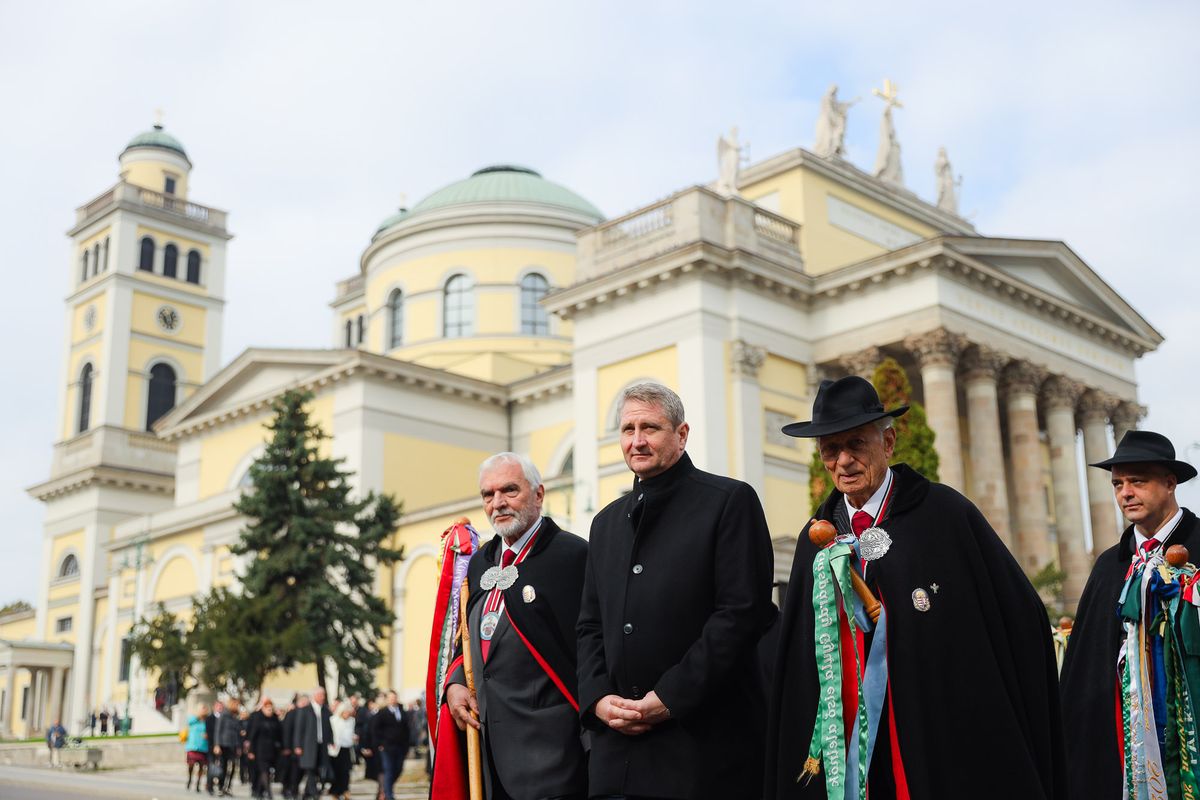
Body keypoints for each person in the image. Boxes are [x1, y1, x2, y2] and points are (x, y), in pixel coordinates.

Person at [764, 375, 1066, 798]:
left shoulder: (945, 516)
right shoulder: (815, 537)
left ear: (887, 444)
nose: (844, 461)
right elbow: (799, 655)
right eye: (831, 450)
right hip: (845, 736)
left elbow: (1019, 616)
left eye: (856, 445)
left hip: (931, 728)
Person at [577, 382, 775, 799]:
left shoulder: (729, 501)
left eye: (650, 428)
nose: (637, 440)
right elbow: (590, 627)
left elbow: (740, 614)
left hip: (702, 751)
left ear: (681, 435)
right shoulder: (605, 523)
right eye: (628, 430)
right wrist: (597, 699)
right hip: (618, 757)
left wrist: (669, 696)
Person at [1060, 430, 1200, 798]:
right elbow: (1084, 670)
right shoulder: (1110, 565)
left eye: (1138, 480)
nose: (1125, 492)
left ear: (1170, 483)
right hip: (1123, 748)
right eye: (1118, 483)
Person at [445, 451, 589, 800]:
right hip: (489, 755)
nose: (498, 503)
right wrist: (453, 684)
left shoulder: (574, 556)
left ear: (538, 495)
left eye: (510, 490)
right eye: (488, 495)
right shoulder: (479, 563)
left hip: (554, 759)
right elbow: (466, 640)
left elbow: (591, 650)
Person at [368, 690, 411, 800]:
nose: (393, 699)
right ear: (387, 699)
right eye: (391, 697)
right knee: (388, 769)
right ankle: (388, 795)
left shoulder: (402, 712)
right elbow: (375, 730)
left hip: (400, 747)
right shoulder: (382, 713)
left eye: (394, 697)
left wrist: (407, 746)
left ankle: (386, 789)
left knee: (398, 769)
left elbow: (406, 730)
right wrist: (379, 745)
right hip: (386, 747)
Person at [295, 686, 333, 800]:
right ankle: (314, 793)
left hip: (322, 744)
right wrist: (298, 745)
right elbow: (299, 729)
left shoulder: (326, 711)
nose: (323, 697)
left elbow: (329, 728)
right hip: (308, 745)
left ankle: (307, 793)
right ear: (315, 696)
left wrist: (331, 741)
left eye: (324, 695)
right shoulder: (305, 710)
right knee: (310, 768)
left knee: (318, 768)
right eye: (321, 695)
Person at [248, 698, 284, 800]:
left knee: (265, 772)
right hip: (260, 750)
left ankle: (259, 792)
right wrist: (251, 751)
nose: (269, 710)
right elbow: (252, 736)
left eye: (270, 708)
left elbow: (279, 734)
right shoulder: (258, 718)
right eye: (267, 708)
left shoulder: (274, 719)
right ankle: (269, 792)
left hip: (272, 750)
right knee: (264, 771)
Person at [213, 698, 241, 796]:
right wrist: (217, 745)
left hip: (233, 745)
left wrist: (238, 747)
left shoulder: (235, 716)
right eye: (236, 704)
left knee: (233, 766)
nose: (237, 706)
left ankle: (228, 787)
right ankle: (221, 787)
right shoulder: (223, 715)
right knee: (223, 766)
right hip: (223, 744)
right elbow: (218, 730)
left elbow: (237, 733)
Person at [329, 703, 356, 800]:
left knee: (346, 772)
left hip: (347, 749)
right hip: (336, 750)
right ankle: (335, 792)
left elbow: (352, 733)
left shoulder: (352, 721)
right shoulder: (333, 720)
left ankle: (345, 790)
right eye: (345, 712)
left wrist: (354, 738)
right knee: (337, 771)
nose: (347, 714)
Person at [185, 704, 211, 793]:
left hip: (203, 746)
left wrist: (208, 735)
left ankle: (198, 784)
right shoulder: (194, 719)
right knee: (191, 765)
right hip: (193, 746)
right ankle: (190, 779)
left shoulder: (207, 721)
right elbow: (188, 722)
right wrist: (198, 715)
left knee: (201, 767)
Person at [206, 700, 226, 795]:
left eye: (221, 706)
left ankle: (221, 787)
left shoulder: (225, 718)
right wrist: (215, 745)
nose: (220, 708)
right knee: (212, 767)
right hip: (212, 746)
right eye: (218, 706)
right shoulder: (210, 718)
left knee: (222, 768)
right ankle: (209, 787)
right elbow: (210, 733)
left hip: (223, 747)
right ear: (214, 707)